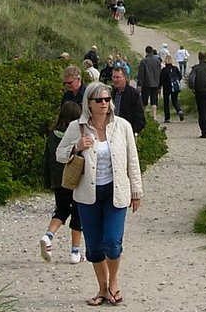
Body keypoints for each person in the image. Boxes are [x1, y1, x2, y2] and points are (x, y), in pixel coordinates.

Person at [57, 82, 143, 307]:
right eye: (99, 100)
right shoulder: (78, 127)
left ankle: (114, 282)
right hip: (88, 194)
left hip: (116, 192)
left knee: (113, 243)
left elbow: (132, 160)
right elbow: (59, 154)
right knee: (94, 247)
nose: (104, 104)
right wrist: (76, 147)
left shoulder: (122, 126)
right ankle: (102, 289)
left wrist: (136, 191)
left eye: (107, 99)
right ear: (89, 103)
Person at [40, 101, 86, 264]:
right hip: (74, 180)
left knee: (61, 210)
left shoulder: (53, 135)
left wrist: (48, 181)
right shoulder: (77, 133)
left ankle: (48, 235)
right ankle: (75, 252)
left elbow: (47, 159)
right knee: (77, 213)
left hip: (58, 181)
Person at [111, 61, 146, 135]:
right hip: (112, 131)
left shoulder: (133, 94)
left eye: (118, 77)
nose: (115, 80)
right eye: (113, 77)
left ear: (125, 78)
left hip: (127, 132)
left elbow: (140, 117)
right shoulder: (110, 93)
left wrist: (134, 132)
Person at [136, 46, 162, 122]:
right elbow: (159, 72)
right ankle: (154, 116)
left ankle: (143, 115)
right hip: (156, 83)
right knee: (154, 100)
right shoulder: (157, 61)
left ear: (146, 52)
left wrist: (139, 83)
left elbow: (141, 73)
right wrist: (160, 83)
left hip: (146, 83)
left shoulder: (144, 61)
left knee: (144, 100)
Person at [160, 55, 185, 123]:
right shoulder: (175, 68)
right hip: (174, 87)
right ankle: (179, 110)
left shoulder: (164, 70)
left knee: (166, 102)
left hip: (166, 88)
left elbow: (161, 80)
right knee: (175, 101)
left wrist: (160, 87)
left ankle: (167, 118)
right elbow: (180, 76)